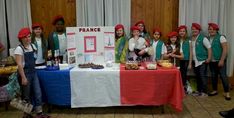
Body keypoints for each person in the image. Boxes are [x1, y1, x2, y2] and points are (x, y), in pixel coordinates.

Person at [14, 28, 50, 118]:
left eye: (29, 36)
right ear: (21, 39)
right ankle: (27, 114)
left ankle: (39, 113)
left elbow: (34, 59)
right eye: (25, 37)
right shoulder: (19, 49)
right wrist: (23, 77)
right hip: (24, 73)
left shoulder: (33, 46)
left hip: (33, 72)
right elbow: (19, 65)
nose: (27, 39)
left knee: (38, 92)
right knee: (26, 95)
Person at [207, 23, 231, 100]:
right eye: (210, 29)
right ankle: (215, 90)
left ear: (217, 30)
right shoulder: (208, 38)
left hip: (220, 60)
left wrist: (222, 60)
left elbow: (225, 49)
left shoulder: (221, 37)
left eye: (213, 29)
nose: (211, 30)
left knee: (223, 76)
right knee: (214, 76)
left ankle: (227, 92)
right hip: (212, 61)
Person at [191, 23, 212, 97]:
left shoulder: (203, 38)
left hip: (202, 61)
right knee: (198, 76)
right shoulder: (192, 38)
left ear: (199, 30)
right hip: (195, 61)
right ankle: (199, 91)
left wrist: (209, 58)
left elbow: (209, 48)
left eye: (196, 29)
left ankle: (205, 92)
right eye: (193, 29)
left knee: (202, 76)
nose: (194, 30)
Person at [178, 25, 192, 91]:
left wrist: (190, 63)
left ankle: (183, 87)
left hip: (186, 60)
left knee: (184, 74)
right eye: (180, 31)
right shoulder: (178, 40)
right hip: (178, 60)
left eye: (183, 31)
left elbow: (191, 52)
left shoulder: (188, 41)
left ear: (186, 32)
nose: (182, 32)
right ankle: (179, 87)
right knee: (179, 73)